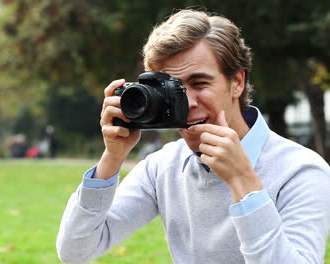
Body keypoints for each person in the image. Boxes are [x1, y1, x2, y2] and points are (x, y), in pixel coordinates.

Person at [56, 9, 330, 264]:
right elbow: (75, 250)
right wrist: (112, 158)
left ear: (236, 82)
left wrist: (242, 181)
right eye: (171, 89)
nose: (187, 102)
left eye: (199, 83)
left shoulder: (302, 170)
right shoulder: (163, 166)